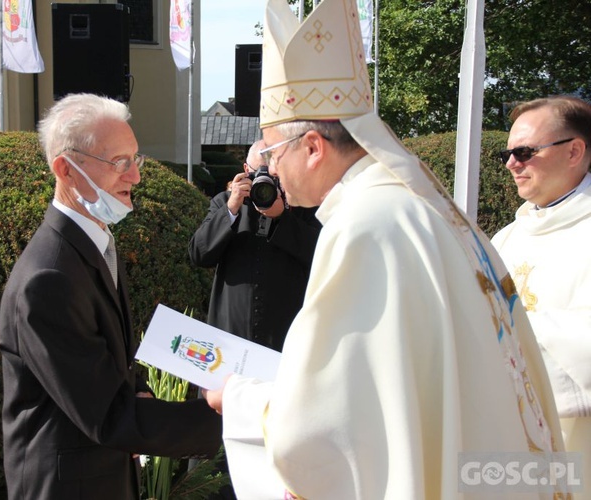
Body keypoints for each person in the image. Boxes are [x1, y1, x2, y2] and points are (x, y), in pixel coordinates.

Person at [203, 0, 567, 498]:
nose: (271, 169)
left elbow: (331, 424)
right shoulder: (415, 205)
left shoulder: (366, 225)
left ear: (312, 147)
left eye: (270, 152)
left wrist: (241, 401)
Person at [0, 93, 222, 499]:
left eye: (136, 159)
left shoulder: (90, 246)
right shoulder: (48, 277)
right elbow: (108, 416)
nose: (135, 176)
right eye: (119, 162)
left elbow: (108, 364)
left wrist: (138, 388)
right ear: (66, 170)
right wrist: (223, 417)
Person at [491, 95, 591, 495]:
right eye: (508, 153)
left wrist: (507, 329)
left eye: (525, 152)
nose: (512, 163)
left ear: (575, 151)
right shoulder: (506, 237)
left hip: (575, 445)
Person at [189, 140, 321, 351]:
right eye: (258, 173)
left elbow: (321, 255)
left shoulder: (303, 206)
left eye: (272, 175)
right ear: (244, 170)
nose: (265, 181)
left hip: (285, 335)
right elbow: (198, 254)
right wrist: (231, 210)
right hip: (231, 332)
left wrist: (282, 217)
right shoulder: (225, 201)